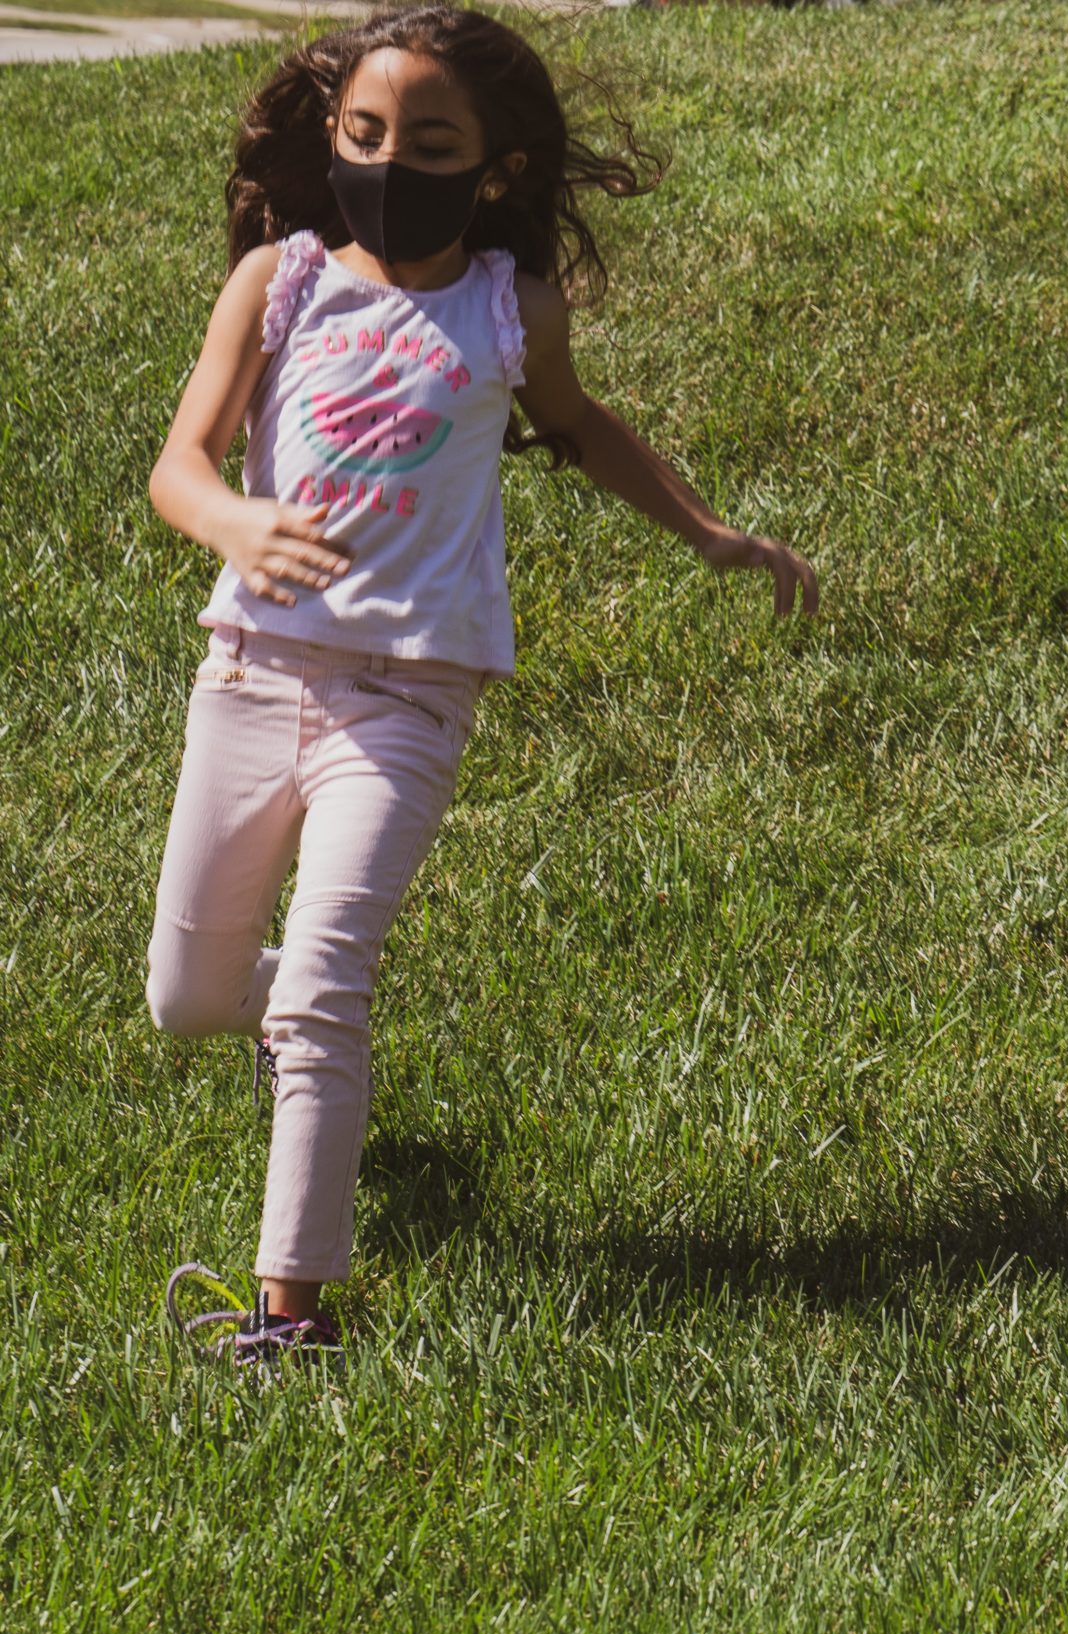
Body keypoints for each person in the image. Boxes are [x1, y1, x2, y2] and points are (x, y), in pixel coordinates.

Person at [147, 4, 818, 1367]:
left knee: (330, 980)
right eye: (367, 133)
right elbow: (182, 464)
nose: (393, 160)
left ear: (497, 167)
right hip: (254, 672)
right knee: (189, 999)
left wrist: (708, 532)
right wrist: (237, 524)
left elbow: (576, 429)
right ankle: (280, 1032)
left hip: (409, 698)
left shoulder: (511, 310)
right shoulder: (278, 284)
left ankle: (291, 1318)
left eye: (430, 140)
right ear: (332, 138)